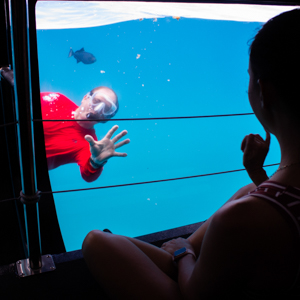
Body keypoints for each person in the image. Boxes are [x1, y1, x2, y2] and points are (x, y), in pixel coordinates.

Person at [82, 9, 300, 299]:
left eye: (249, 77)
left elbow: (195, 294)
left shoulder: (242, 219)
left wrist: (184, 254)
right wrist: (259, 176)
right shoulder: (261, 203)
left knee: (95, 243)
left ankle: (181, 252)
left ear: (264, 91)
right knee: (248, 189)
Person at [41, 86, 130, 182]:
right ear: (85, 98)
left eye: (106, 109)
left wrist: (96, 162)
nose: (97, 109)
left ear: (105, 119)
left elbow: (88, 175)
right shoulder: (57, 99)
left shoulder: (90, 145)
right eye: (96, 100)